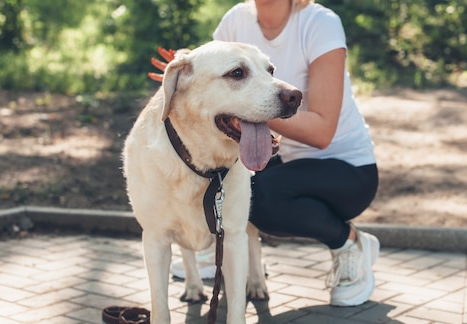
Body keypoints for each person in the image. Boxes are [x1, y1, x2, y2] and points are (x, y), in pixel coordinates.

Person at [154, 0, 379, 307]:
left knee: (257, 197)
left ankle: (351, 244)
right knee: (211, 171)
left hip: (344, 169)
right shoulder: (236, 19)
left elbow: (322, 132)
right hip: (278, 161)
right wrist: (187, 86)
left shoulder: (320, 23)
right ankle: (220, 249)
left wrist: (253, 103)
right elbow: (213, 82)